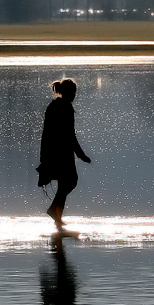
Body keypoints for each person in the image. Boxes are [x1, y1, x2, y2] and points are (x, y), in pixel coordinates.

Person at [37, 78, 91, 229]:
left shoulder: (54, 105)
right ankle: (54, 212)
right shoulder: (65, 107)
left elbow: (46, 133)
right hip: (62, 152)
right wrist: (81, 155)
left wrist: (44, 154)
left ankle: (56, 215)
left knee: (65, 182)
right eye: (73, 92)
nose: (75, 95)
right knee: (70, 180)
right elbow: (69, 134)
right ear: (67, 92)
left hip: (53, 150)